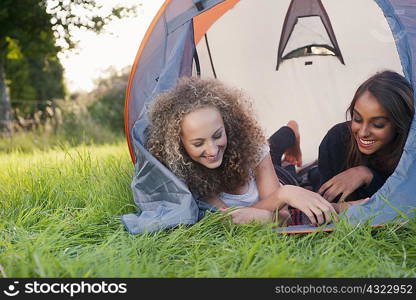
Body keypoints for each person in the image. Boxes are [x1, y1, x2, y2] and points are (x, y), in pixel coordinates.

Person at [146, 76, 339, 226]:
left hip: (269, 174)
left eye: (217, 135)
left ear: (227, 125)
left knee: (274, 148)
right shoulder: (190, 176)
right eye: (198, 143)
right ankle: (289, 158)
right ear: (179, 144)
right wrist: (284, 195)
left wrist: (284, 193)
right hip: (278, 186)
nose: (212, 150)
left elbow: (282, 214)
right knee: (291, 169)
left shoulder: (251, 147)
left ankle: (292, 130)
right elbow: (245, 219)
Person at [317, 70, 414, 203]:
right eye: (357, 119)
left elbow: (404, 204)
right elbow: (325, 206)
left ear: (399, 124)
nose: (363, 132)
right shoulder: (337, 140)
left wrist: (368, 176)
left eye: (377, 124)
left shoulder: (410, 153)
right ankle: (292, 130)